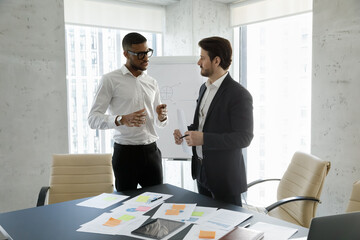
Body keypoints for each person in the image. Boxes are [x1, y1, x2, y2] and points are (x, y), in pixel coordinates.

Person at [173, 36, 253, 206]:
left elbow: (244, 138)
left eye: (202, 57)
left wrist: (204, 139)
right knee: (205, 228)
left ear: (216, 60)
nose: (198, 62)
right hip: (202, 172)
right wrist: (185, 133)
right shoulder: (204, 88)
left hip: (225, 178)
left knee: (229, 231)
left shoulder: (239, 95)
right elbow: (202, 125)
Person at [88, 32, 168, 192]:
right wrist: (121, 119)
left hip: (151, 152)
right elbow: (93, 119)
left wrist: (161, 117)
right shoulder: (110, 80)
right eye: (140, 54)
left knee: (158, 204)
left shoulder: (152, 82)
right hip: (125, 154)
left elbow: (160, 122)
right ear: (126, 54)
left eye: (147, 52)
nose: (146, 58)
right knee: (125, 210)